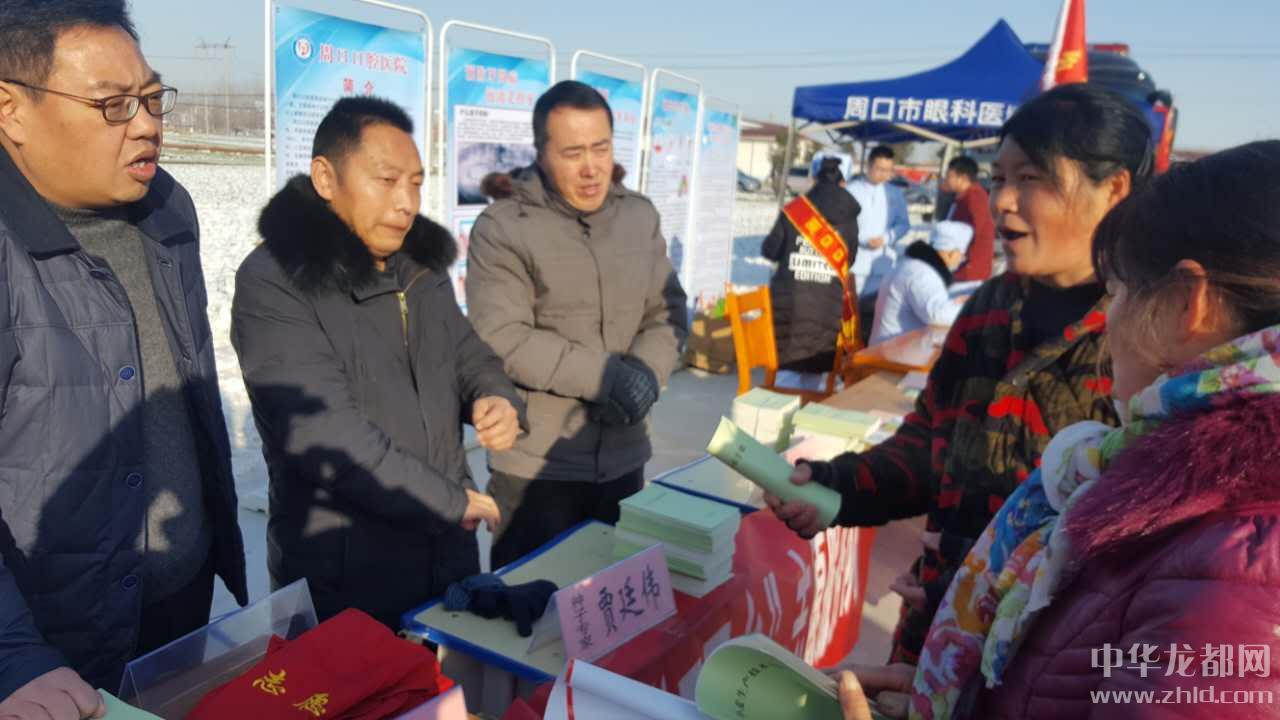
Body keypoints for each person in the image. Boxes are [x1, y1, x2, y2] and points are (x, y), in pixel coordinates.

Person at [839, 142, 1280, 719]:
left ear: (1186, 307)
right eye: (998, 178)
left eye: (1118, 293)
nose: (1003, 201)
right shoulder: (1166, 483)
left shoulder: (1236, 568)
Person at [767, 83, 1153, 665]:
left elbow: (1136, 551)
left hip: (1049, 670)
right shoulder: (992, 306)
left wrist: (985, 590)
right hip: (934, 642)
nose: (1002, 201)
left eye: (1031, 178)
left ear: (1114, 189)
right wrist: (835, 486)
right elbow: (930, 447)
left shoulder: (1145, 341)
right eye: (999, 178)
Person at [0, 0, 249, 713]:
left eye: (151, 98)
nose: (145, 125)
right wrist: (11, 657)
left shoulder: (168, 210)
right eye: (111, 105)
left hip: (177, 606)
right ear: (11, 110)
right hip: (47, 651)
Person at [231, 97, 524, 628]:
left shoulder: (419, 265)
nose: (406, 202)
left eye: (415, 183)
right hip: (346, 575)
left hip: (446, 554)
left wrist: (493, 394)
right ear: (326, 177)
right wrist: (448, 501)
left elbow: (465, 349)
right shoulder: (275, 282)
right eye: (386, 181)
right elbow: (328, 435)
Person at [466, 80, 688, 570]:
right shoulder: (504, 228)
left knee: (615, 601)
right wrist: (606, 377)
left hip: (625, 458)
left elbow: (667, 311)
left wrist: (646, 374)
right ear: (541, 153)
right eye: (572, 153)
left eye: (601, 148)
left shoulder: (638, 217)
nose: (591, 168)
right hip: (538, 470)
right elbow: (503, 336)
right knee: (531, 605)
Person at [762, 156, 860, 390]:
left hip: (790, 302)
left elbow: (770, 250)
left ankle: (778, 408)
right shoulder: (849, 218)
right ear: (843, 183)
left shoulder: (796, 210)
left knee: (785, 370)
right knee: (815, 365)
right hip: (826, 304)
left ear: (814, 180)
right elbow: (849, 260)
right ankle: (807, 406)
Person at [869, 221, 971, 345]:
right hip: (892, 351)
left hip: (894, 347)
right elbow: (937, 315)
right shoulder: (922, 274)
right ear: (952, 254)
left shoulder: (913, 265)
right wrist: (972, 307)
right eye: (962, 257)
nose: (960, 261)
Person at [847, 145, 911, 341]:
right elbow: (843, 223)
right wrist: (862, 239)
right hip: (856, 263)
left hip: (883, 263)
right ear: (869, 165)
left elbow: (903, 224)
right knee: (852, 312)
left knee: (877, 313)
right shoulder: (852, 190)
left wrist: (886, 238)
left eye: (888, 170)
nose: (884, 174)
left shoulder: (895, 193)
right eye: (880, 169)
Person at [940, 156, 994, 282]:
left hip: (969, 272)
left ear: (963, 178)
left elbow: (972, 233)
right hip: (957, 268)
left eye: (949, 176)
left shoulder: (975, 198)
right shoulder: (962, 198)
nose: (946, 179)